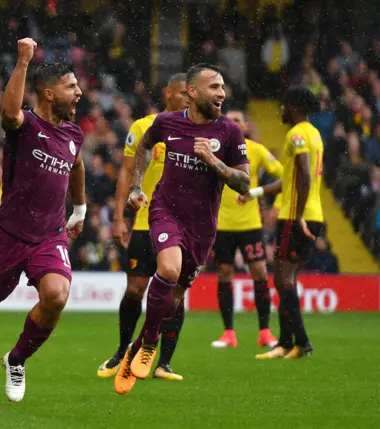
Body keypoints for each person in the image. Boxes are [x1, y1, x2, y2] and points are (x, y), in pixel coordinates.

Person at [0, 38, 86, 410]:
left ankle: (16, 360)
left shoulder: (74, 135)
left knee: (56, 296)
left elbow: (77, 164)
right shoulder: (26, 126)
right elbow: (8, 113)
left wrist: (81, 209)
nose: (80, 92)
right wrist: (22, 60)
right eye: (72, 86)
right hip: (8, 234)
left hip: (50, 235)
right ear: (49, 94)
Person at [114, 63, 250, 395]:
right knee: (169, 269)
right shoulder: (166, 123)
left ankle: (136, 349)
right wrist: (135, 188)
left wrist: (214, 162)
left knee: (175, 297)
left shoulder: (229, 132)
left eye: (222, 87)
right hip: (165, 211)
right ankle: (148, 345)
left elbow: (244, 183)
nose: (221, 93)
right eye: (214, 87)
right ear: (192, 92)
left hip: (202, 226)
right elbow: (144, 147)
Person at [98, 73, 189, 381]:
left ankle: (164, 362)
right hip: (144, 223)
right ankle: (123, 349)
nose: (187, 100)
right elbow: (126, 173)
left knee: (176, 293)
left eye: (190, 95)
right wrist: (120, 217)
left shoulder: (196, 131)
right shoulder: (143, 127)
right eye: (181, 94)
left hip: (180, 227)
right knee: (135, 289)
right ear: (168, 93)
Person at [255, 86, 323, 360]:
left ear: (294, 106)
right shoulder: (314, 134)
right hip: (314, 214)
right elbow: (292, 179)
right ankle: (285, 343)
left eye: (284, 105)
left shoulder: (295, 135)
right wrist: (256, 192)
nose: (281, 109)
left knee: (283, 279)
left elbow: (304, 175)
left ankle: (301, 342)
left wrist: (297, 215)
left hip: (296, 215)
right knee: (287, 279)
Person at [211, 106, 282, 349]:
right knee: (224, 275)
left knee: (260, 273)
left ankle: (265, 331)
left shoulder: (256, 150)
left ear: (245, 126)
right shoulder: (213, 150)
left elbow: (286, 175)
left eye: (237, 120)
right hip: (221, 225)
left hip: (250, 224)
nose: (232, 123)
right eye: (228, 119)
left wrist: (278, 205)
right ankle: (228, 332)